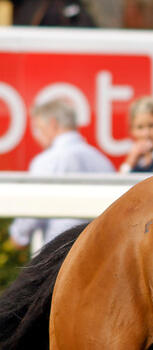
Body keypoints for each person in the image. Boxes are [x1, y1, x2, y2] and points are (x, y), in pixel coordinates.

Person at [8, 100, 114, 251]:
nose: (36, 136)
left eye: (38, 128)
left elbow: (31, 209)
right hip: (98, 255)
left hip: (58, 258)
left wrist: (18, 235)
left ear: (52, 123)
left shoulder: (47, 161)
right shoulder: (103, 161)